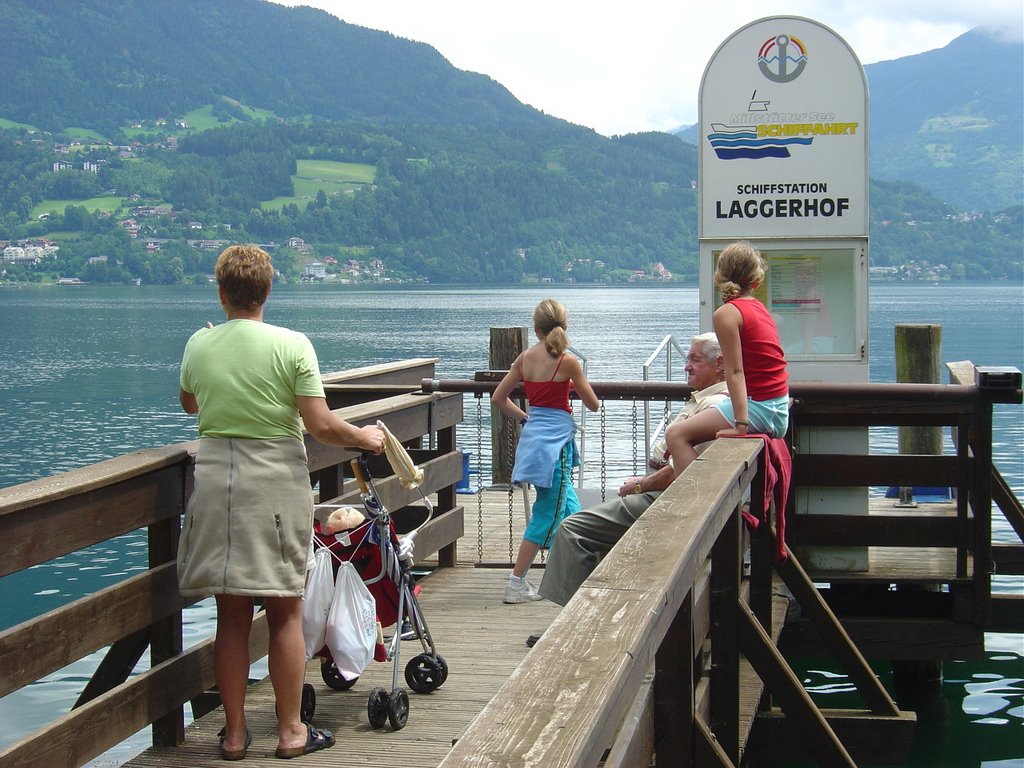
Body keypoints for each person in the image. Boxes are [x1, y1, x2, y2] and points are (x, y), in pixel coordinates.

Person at [176, 245, 385, 761]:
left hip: (217, 483)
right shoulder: (293, 345)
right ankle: (291, 731)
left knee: (230, 615)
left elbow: (190, 403)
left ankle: (233, 734)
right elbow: (319, 425)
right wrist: (365, 438)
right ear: (267, 291)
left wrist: (213, 350)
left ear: (222, 293)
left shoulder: (198, 344)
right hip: (273, 484)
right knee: (284, 612)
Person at [537, 333, 728, 608]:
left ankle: (571, 620)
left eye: (695, 360)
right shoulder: (712, 400)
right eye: (688, 358)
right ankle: (590, 612)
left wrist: (638, 485)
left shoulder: (714, 405)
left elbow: (679, 473)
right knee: (598, 535)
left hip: (671, 497)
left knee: (572, 530)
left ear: (720, 364)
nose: (687, 366)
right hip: (675, 493)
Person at [491, 298, 600, 604]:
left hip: (534, 439)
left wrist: (525, 415)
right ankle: (516, 582)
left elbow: (499, 398)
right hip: (556, 446)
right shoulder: (567, 361)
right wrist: (573, 386)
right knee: (545, 516)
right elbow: (593, 404)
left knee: (569, 507)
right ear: (565, 326)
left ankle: (582, 572)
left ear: (536, 328)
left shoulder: (524, 359)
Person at [664, 241, 789, 478]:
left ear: (719, 276)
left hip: (759, 409)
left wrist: (740, 425)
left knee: (675, 434)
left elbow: (735, 372)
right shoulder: (759, 308)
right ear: (756, 280)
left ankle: (698, 502)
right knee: (698, 420)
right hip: (778, 407)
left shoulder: (727, 314)